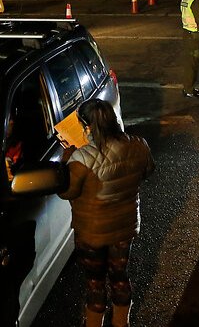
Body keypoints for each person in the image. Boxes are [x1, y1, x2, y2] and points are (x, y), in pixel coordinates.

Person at [58, 99, 155, 327]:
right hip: (124, 227)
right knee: (120, 276)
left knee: (95, 282)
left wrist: (66, 162)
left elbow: (68, 192)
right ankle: (122, 323)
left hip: (91, 232)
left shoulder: (81, 158)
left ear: (88, 127)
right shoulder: (138, 144)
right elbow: (148, 170)